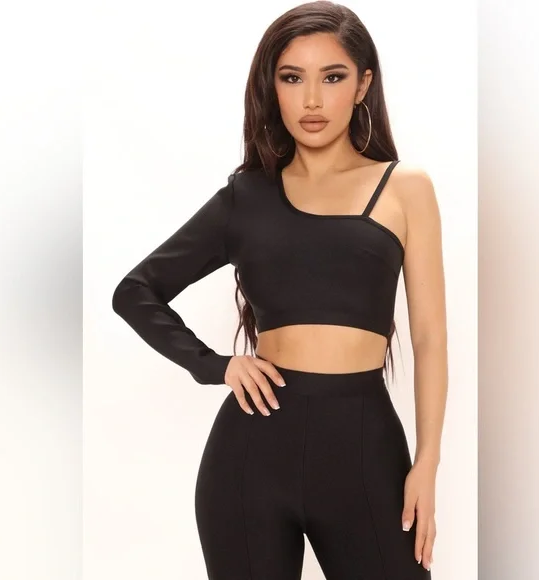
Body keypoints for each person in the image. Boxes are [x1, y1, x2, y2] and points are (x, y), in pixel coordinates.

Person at [112, 2, 448, 579]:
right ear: (273, 88)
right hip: (252, 451)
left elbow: (430, 340)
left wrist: (427, 466)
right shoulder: (246, 196)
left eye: (332, 77)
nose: (312, 100)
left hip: (364, 447)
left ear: (363, 85)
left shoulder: (404, 188)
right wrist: (216, 366)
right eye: (292, 78)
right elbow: (136, 291)